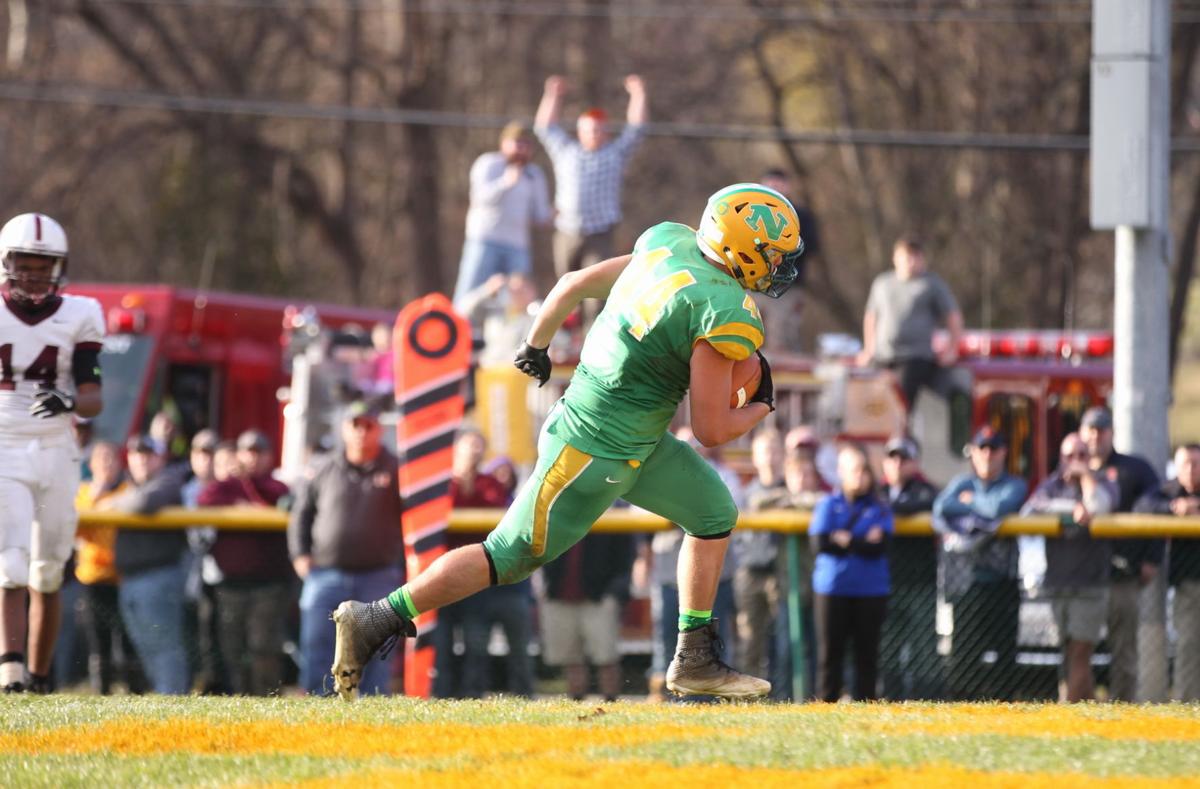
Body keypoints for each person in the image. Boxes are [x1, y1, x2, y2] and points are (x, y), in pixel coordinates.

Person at [330, 182, 805, 701]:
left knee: (713, 513)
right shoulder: (722, 305)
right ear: (742, 248)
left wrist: (536, 344)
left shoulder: (670, 241)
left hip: (634, 436)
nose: (778, 267)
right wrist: (761, 404)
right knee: (507, 555)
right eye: (773, 256)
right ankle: (378, 616)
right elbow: (712, 430)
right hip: (594, 447)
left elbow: (574, 282)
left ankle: (694, 658)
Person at [0, 212, 105, 693]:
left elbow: (93, 396)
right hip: (4, 445)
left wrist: (68, 400)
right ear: (7, 262)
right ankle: (11, 670)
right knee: (10, 563)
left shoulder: (79, 313)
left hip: (56, 447)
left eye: (44, 265)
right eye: (27, 263)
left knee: (49, 568)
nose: (35, 274)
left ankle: (40, 679)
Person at [288, 401, 404, 696]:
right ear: (344, 428)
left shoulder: (397, 469)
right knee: (317, 640)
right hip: (326, 572)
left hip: (379, 573)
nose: (361, 432)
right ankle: (318, 696)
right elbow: (301, 513)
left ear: (379, 429)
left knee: (378, 644)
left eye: (368, 425)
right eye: (355, 425)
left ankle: (375, 700)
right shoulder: (324, 467)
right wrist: (300, 554)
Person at [642, 426, 741, 701]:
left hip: (713, 575)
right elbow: (642, 515)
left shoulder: (722, 474)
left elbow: (730, 511)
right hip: (667, 573)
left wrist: (681, 509)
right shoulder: (655, 475)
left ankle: (718, 697)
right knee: (665, 642)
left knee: (714, 638)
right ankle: (666, 698)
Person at [435, 428, 533, 699]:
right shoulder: (442, 483)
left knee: (474, 643)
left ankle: (471, 695)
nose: (475, 451)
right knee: (439, 644)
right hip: (440, 575)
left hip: (473, 579)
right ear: (456, 449)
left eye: (480, 446)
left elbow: (495, 513)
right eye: (470, 445)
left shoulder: (490, 484)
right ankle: (439, 696)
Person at [931, 426, 1027, 700]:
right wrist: (981, 507)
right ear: (972, 452)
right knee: (964, 656)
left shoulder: (1014, 484)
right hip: (967, 584)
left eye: (993, 448)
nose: (987, 454)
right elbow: (941, 507)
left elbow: (999, 508)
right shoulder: (962, 482)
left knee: (1004, 658)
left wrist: (971, 503)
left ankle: (1004, 713)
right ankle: (963, 713)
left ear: (1003, 453)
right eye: (981, 448)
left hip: (1002, 582)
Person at [1021, 432, 1116, 702]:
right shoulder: (1051, 485)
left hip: (1090, 584)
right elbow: (1030, 513)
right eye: (1069, 456)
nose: (1075, 461)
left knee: (1079, 652)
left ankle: (1069, 713)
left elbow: (1099, 507)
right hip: (1059, 583)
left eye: (1082, 455)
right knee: (1069, 654)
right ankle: (1085, 713)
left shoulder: (1103, 482)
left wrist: (1086, 479)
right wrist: (1070, 508)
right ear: (1060, 459)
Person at [196, 429, 291, 695]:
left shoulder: (276, 486)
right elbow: (205, 499)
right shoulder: (226, 486)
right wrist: (235, 491)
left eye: (258, 453)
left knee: (264, 646)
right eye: (247, 452)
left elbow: (280, 499)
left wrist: (250, 492)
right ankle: (239, 697)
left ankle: (267, 697)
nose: (252, 458)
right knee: (232, 648)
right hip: (231, 583)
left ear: (269, 457)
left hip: (268, 582)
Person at [1079, 405, 1162, 702]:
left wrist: (1152, 558)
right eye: (1090, 429)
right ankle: (1076, 713)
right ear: (1081, 434)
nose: (1095, 436)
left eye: (1101, 429)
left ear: (1112, 432)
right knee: (1076, 651)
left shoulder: (1134, 469)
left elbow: (1158, 510)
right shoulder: (1071, 468)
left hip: (1121, 574)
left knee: (1123, 652)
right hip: (1081, 577)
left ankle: (1122, 712)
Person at [534, 74, 648, 280]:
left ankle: (594, 313)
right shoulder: (566, 152)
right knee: (565, 285)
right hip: (567, 229)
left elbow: (636, 130)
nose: (594, 133)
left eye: (598, 129)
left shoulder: (614, 154)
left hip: (600, 232)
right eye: (589, 129)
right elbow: (545, 128)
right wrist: (552, 95)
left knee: (595, 285)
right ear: (580, 132)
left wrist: (638, 94)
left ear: (606, 132)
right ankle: (572, 314)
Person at [809, 443, 893, 702]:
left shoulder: (880, 507)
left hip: (870, 589)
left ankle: (866, 706)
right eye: (853, 470)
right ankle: (826, 705)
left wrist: (845, 540)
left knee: (867, 656)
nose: (859, 476)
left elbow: (881, 547)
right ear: (841, 472)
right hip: (833, 589)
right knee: (829, 655)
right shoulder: (827, 504)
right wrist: (862, 541)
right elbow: (820, 544)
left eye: (864, 470)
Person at [111, 435, 192, 695]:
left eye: (149, 454)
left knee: (164, 646)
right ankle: (165, 697)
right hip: (131, 578)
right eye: (137, 454)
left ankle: (173, 702)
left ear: (161, 458)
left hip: (158, 575)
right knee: (146, 646)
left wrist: (114, 503)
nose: (142, 459)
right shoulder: (130, 485)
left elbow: (142, 503)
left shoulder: (168, 480)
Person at [858, 235, 965, 413]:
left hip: (915, 357)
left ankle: (901, 438)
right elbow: (871, 316)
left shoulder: (931, 285)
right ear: (895, 258)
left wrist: (952, 349)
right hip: (883, 356)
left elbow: (953, 316)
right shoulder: (882, 283)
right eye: (906, 256)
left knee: (900, 404)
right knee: (872, 405)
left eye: (916, 257)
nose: (911, 262)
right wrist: (868, 349)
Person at [452, 122, 553, 306]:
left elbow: (540, 215)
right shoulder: (488, 164)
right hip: (485, 239)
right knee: (469, 293)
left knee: (519, 298)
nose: (521, 150)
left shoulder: (534, 175)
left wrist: (553, 214)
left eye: (526, 145)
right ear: (504, 144)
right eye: (517, 144)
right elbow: (479, 198)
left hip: (517, 245)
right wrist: (505, 183)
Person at [73, 441, 145, 695]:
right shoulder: (82, 493)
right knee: (98, 642)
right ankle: (101, 692)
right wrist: (97, 495)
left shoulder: (128, 491)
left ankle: (134, 693)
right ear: (91, 465)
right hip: (93, 578)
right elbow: (75, 531)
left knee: (127, 641)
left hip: (123, 578)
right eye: (100, 459)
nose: (106, 465)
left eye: (111, 459)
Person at [1135, 443, 1200, 701]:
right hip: (1189, 583)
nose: (1192, 469)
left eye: (1196, 463)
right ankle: (1188, 707)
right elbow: (1142, 506)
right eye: (1186, 463)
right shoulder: (1170, 490)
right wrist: (1175, 508)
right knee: (1188, 646)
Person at [877, 435, 939, 700]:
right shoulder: (877, 492)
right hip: (885, 585)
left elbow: (928, 502)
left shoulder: (927, 490)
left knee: (923, 650)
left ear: (915, 462)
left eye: (904, 457)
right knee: (888, 648)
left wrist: (890, 510)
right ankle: (889, 701)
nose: (898, 463)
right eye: (892, 457)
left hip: (920, 584)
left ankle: (925, 702)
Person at [540, 532, 635, 701]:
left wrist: (613, 594)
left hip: (599, 597)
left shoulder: (609, 516)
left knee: (606, 657)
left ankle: (611, 702)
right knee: (571, 659)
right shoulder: (558, 514)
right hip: (560, 595)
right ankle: (576, 703)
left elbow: (625, 559)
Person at [733, 428, 786, 686]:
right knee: (750, 637)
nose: (770, 457)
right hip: (750, 571)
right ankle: (751, 690)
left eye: (775, 451)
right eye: (765, 451)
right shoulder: (747, 493)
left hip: (781, 571)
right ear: (755, 457)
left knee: (782, 635)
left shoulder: (790, 490)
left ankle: (781, 688)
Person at [757, 168, 819, 353]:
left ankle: (779, 382)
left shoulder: (800, 215)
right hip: (754, 284)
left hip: (786, 286)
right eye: (770, 183)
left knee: (782, 338)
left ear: (788, 186)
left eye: (779, 183)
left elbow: (812, 246)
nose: (774, 187)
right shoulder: (751, 211)